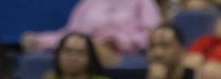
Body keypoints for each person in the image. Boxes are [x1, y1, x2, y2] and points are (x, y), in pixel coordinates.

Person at [20, 0, 163, 66]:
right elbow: (70, 34)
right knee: (78, 48)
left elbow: (156, 36)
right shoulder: (87, 4)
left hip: (124, 55)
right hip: (88, 53)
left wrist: (120, 41)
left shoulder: (143, 2)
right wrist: (39, 40)